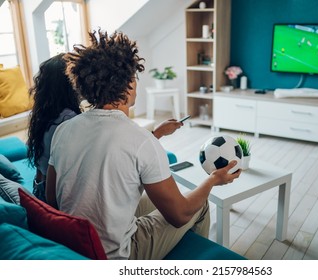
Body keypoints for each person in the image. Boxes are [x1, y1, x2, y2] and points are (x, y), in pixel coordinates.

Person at [45, 29, 241, 260]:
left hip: (74, 243)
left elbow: (52, 199)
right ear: (128, 85)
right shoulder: (141, 141)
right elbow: (179, 215)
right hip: (116, 256)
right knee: (199, 205)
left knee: (165, 200)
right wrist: (212, 180)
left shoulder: (64, 130)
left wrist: (155, 134)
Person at [26, 53, 82, 202]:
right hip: (54, 196)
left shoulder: (45, 112)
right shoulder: (68, 119)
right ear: (69, 83)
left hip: (39, 187)